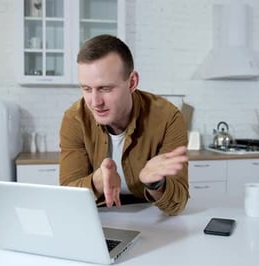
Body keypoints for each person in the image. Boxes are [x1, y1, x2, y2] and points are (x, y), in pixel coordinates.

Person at [59, 34, 189, 216]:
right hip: (99, 218)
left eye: (105, 88)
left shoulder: (168, 118)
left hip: (152, 217)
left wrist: (155, 183)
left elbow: (178, 204)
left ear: (132, 82)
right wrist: (98, 180)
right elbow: (67, 198)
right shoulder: (75, 119)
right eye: (86, 89)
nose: (95, 102)